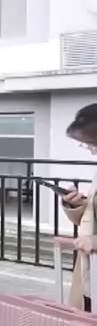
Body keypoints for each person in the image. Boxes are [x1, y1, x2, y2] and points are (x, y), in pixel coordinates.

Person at [61, 103, 96, 312]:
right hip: (92, 272)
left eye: (93, 144)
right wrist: (76, 204)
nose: (92, 151)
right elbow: (91, 218)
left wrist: (95, 241)